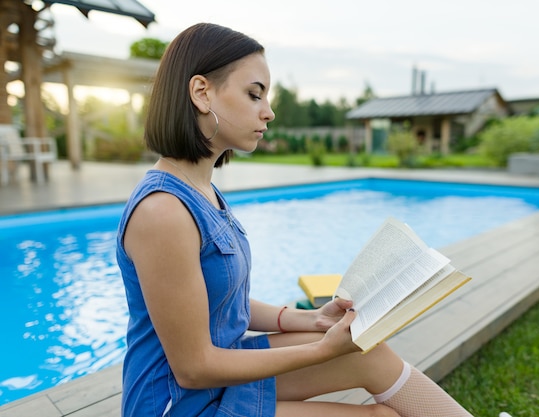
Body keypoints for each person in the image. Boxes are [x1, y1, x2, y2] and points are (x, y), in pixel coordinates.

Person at [116, 22, 502, 417]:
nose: (268, 112)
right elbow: (194, 368)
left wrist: (310, 319)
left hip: (221, 378)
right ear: (202, 93)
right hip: (180, 403)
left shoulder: (203, 192)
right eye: (254, 94)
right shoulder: (162, 211)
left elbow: (217, 303)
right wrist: (320, 351)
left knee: (370, 354)